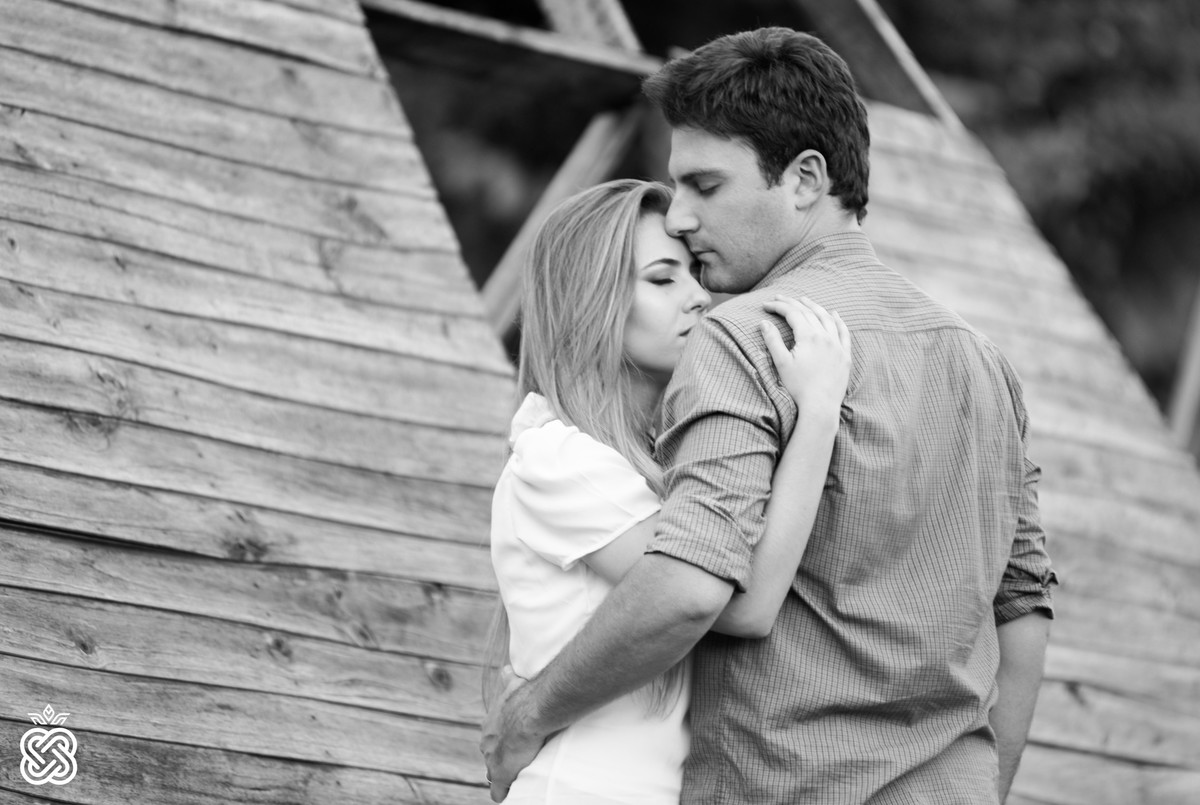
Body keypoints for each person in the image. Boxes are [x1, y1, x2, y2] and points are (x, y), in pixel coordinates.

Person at [482, 27, 1058, 805]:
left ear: (805, 178)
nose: (680, 217)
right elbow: (1023, 617)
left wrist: (527, 714)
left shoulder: (746, 337)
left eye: (705, 185)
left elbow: (691, 589)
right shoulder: (983, 365)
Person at [486, 178, 851, 803]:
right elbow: (737, 608)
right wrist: (818, 413)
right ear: (590, 301)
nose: (700, 297)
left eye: (695, 274)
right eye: (662, 279)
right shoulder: (559, 459)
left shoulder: (651, 461)